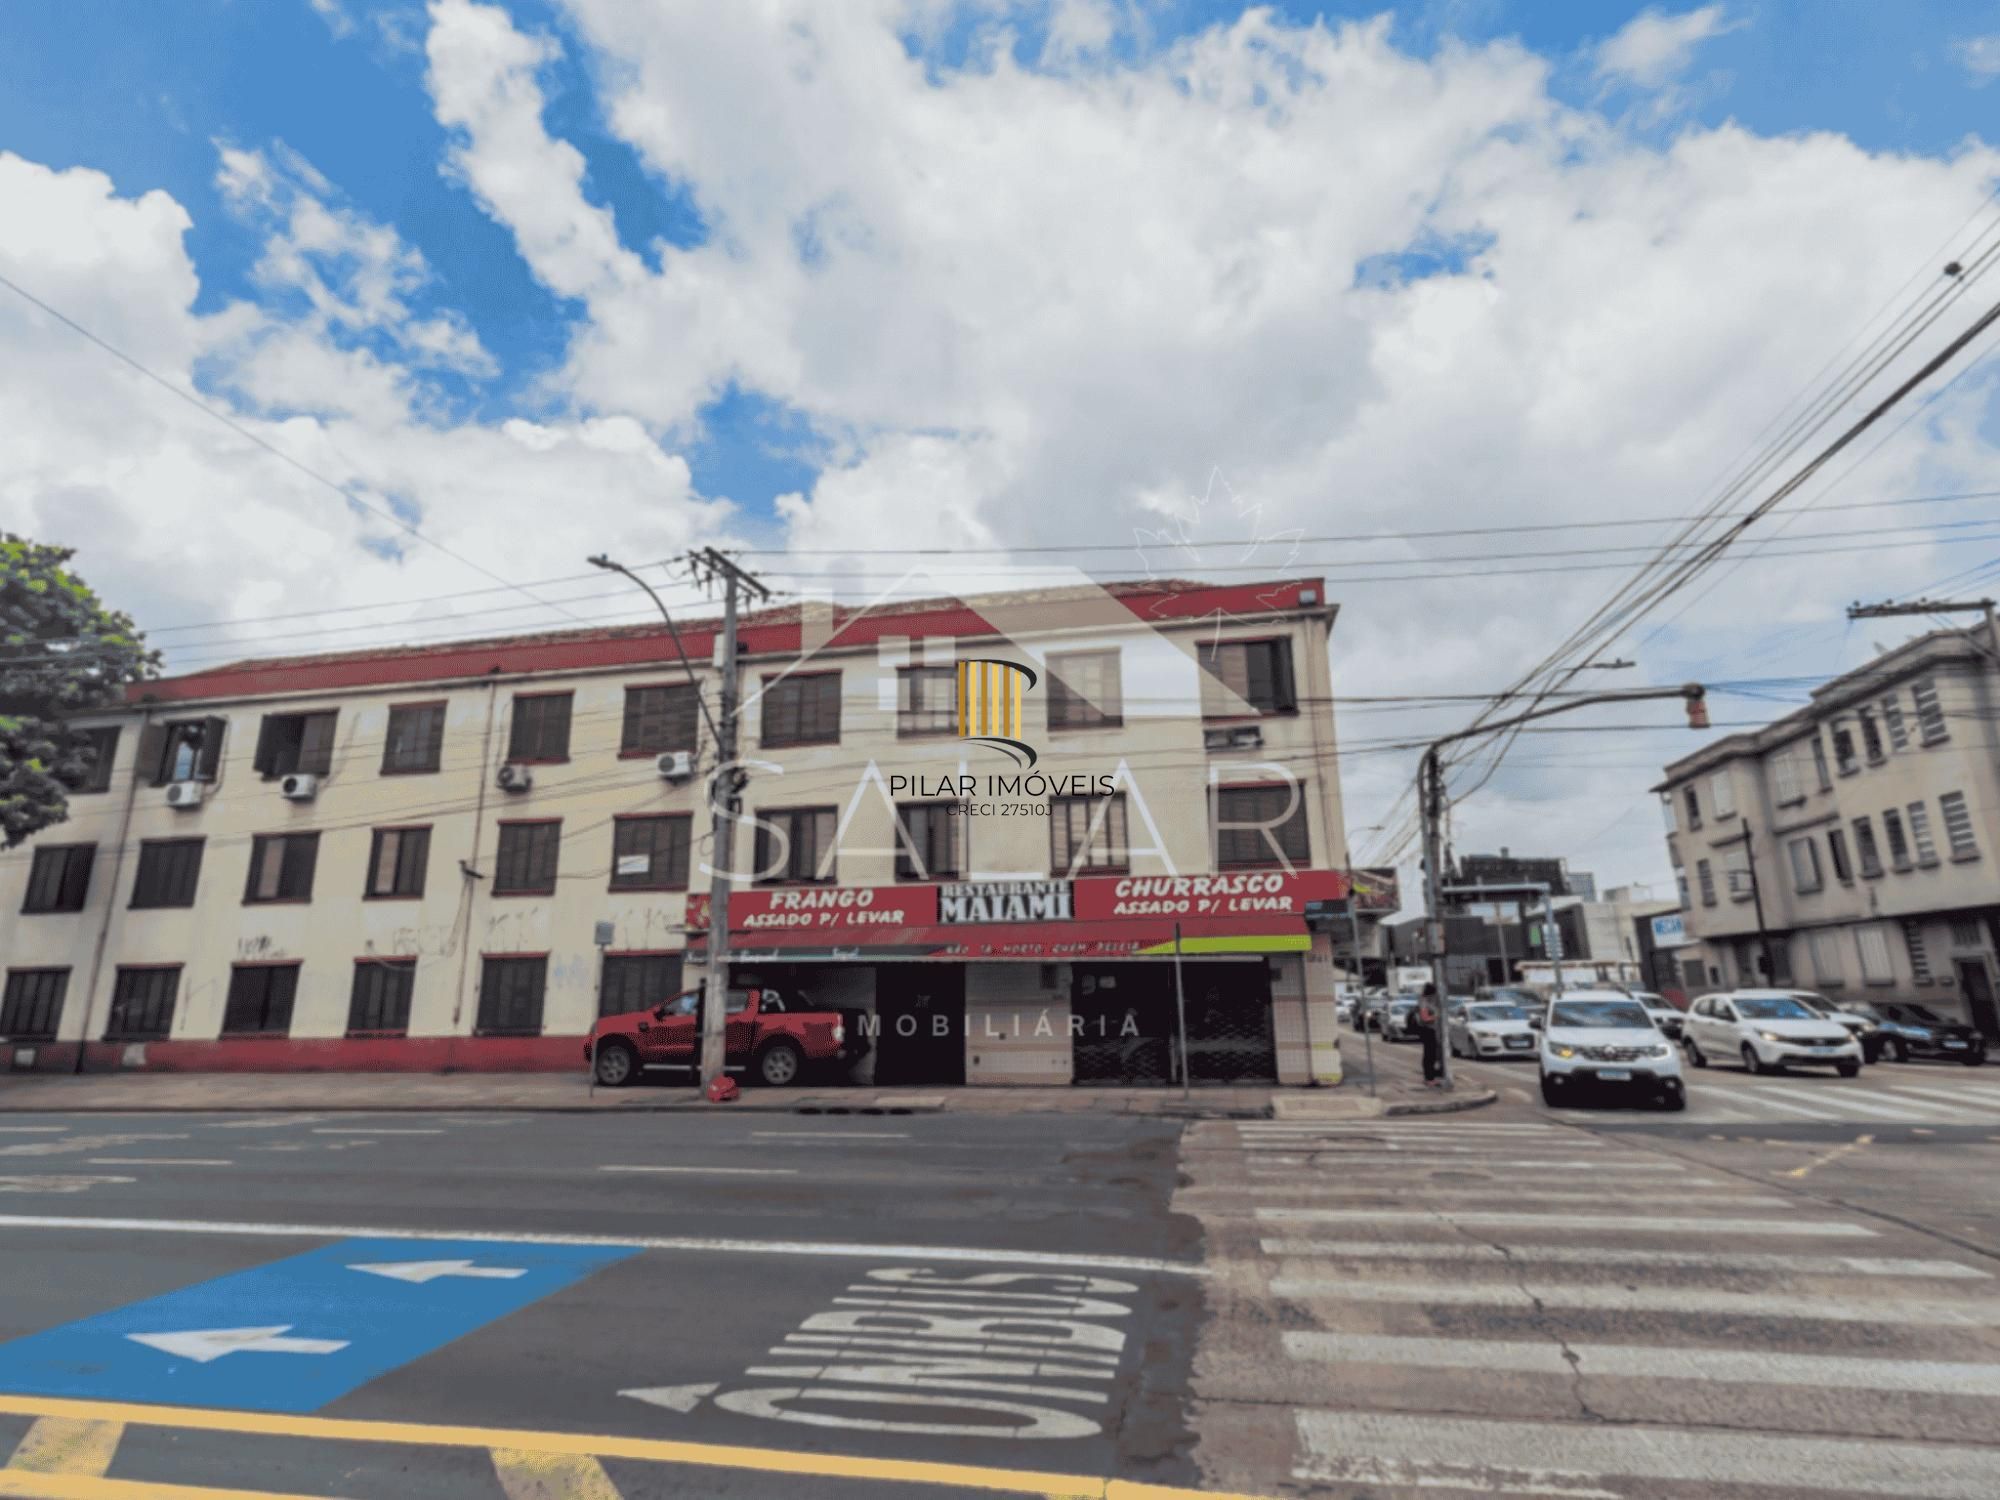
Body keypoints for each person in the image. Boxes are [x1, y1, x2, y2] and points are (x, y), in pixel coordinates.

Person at [1416, 983, 1444, 1087]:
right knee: (1429, 1055)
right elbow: (1424, 1018)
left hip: (1429, 1029)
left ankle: (1429, 1077)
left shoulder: (1425, 1001)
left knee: (1430, 1054)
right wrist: (1436, 1017)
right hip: (1427, 1030)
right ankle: (1429, 1078)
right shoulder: (1424, 1002)